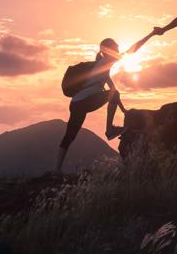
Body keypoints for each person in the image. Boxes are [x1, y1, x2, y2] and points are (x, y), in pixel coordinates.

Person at [56, 32, 155, 173]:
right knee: (71, 134)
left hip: (77, 103)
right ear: (108, 50)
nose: (118, 49)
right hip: (84, 102)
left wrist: (123, 109)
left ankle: (57, 169)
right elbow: (132, 50)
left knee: (69, 136)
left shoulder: (101, 67)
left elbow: (113, 90)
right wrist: (150, 34)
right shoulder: (106, 62)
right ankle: (109, 130)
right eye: (116, 47)